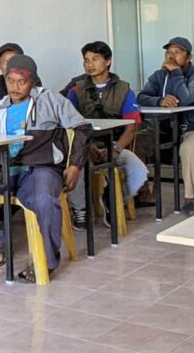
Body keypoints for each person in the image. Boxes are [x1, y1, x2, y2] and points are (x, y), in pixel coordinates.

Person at [0, 54, 89, 276]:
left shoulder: (50, 100)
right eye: (10, 80)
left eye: (22, 82)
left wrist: (75, 165)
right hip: (7, 172)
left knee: (43, 200)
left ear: (32, 82)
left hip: (41, 168)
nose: (15, 87)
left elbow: (81, 129)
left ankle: (45, 261)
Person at [64, 41, 149, 221]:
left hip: (114, 145)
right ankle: (80, 210)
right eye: (86, 60)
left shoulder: (124, 90)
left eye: (95, 59)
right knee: (76, 164)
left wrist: (116, 149)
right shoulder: (76, 90)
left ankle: (113, 201)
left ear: (108, 61)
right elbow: (69, 125)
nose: (90, 64)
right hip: (84, 146)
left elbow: (131, 127)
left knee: (138, 170)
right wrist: (88, 146)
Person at [135, 36, 194, 214]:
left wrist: (176, 72)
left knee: (189, 148)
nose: (171, 56)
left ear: (189, 57)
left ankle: (189, 200)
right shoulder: (159, 76)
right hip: (164, 129)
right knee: (136, 142)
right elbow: (142, 97)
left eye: (177, 52)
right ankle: (144, 193)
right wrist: (159, 100)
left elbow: (185, 99)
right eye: (168, 52)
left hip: (193, 129)